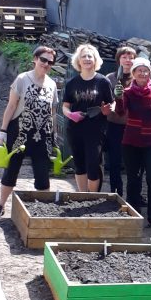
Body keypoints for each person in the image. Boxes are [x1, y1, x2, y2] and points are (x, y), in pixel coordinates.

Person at [0, 44, 57, 220]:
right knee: (12, 170)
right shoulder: (22, 79)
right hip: (19, 132)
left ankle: (43, 210)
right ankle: (0, 205)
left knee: (42, 173)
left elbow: (52, 112)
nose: (46, 64)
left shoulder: (52, 84)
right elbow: (11, 106)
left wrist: (53, 135)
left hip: (42, 134)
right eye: (43, 59)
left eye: (50, 61)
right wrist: (3, 131)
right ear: (35, 59)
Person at [119, 56, 151, 228]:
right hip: (131, 142)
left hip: (150, 143)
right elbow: (119, 112)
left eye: (146, 70)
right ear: (133, 73)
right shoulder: (127, 92)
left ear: (150, 73)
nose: (143, 73)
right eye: (139, 70)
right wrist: (118, 97)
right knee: (133, 179)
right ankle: (134, 213)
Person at [61, 43, 113, 192]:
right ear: (78, 60)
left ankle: (92, 198)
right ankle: (82, 196)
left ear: (95, 60)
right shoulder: (72, 83)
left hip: (96, 130)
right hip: (75, 129)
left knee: (93, 164)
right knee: (79, 164)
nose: (87, 59)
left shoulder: (103, 82)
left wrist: (107, 110)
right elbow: (65, 106)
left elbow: (112, 105)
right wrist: (70, 114)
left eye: (90, 56)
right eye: (84, 56)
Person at [105, 44, 136, 196]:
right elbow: (105, 101)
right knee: (115, 161)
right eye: (124, 57)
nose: (128, 60)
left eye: (131, 57)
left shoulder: (139, 78)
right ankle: (115, 191)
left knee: (135, 162)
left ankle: (134, 194)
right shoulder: (110, 79)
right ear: (119, 60)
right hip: (115, 125)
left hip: (133, 126)